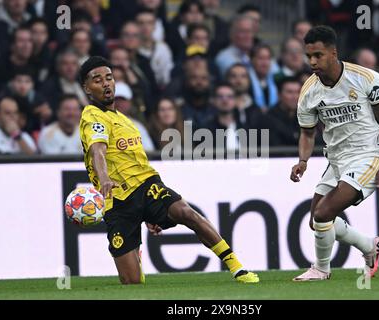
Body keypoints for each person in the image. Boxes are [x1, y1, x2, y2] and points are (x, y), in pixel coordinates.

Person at [78, 56, 259, 285]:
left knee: (186, 213)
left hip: (146, 185)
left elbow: (139, 162)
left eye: (109, 78)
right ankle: (136, 252)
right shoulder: (92, 116)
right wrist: (104, 178)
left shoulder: (125, 120)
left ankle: (237, 267)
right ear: (87, 88)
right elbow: (97, 151)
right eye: (97, 80)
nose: (105, 83)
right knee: (132, 282)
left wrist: (149, 209)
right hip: (118, 200)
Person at [290, 26, 379, 281]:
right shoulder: (309, 91)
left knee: (323, 213)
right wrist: (303, 161)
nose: (313, 61)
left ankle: (321, 269)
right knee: (318, 222)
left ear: (333, 52)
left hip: (367, 156)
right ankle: (370, 247)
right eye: (309, 56)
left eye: (318, 55)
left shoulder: (367, 79)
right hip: (335, 159)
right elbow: (307, 133)